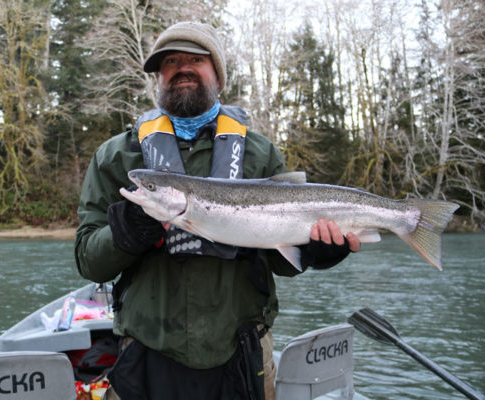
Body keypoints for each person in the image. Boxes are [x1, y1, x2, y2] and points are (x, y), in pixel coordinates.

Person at [74, 21, 360, 400]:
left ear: (218, 76)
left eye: (196, 59)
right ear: (158, 77)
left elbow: (280, 264)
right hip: (147, 354)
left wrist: (314, 251)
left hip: (244, 355)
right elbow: (88, 261)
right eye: (170, 61)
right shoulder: (116, 157)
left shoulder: (259, 154)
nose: (182, 68)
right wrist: (125, 233)